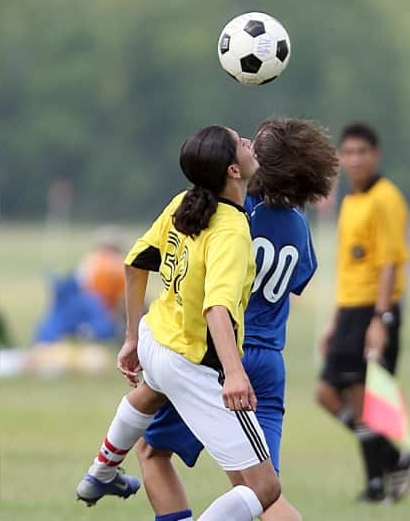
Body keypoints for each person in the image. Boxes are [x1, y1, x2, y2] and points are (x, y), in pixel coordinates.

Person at [135, 118, 339, 521]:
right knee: (263, 494)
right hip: (269, 363)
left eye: (252, 145)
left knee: (151, 453)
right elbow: (299, 279)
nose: (244, 145)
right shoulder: (298, 225)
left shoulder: (231, 214)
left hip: (221, 356)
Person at [74, 125, 280, 521]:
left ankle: (101, 471)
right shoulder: (231, 230)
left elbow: (134, 262)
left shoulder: (184, 203)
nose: (249, 144)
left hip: (157, 339)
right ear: (232, 171)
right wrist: (235, 375)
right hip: (194, 363)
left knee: (152, 390)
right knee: (264, 488)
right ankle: (103, 470)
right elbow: (216, 309)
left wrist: (132, 337)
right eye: (241, 142)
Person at [315, 122, 410, 502]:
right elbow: (349, 268)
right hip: (349, 309)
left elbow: (390, 262)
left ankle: (377, 484)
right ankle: (394, 459)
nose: (355, 159)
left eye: (362, 152)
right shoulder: (350, 201)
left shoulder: (386, 197)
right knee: (327, 392)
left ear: (376, 155)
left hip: (372, 309)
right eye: (349, 153)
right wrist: (333, 320)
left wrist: (382, 318)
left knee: (361, 394)